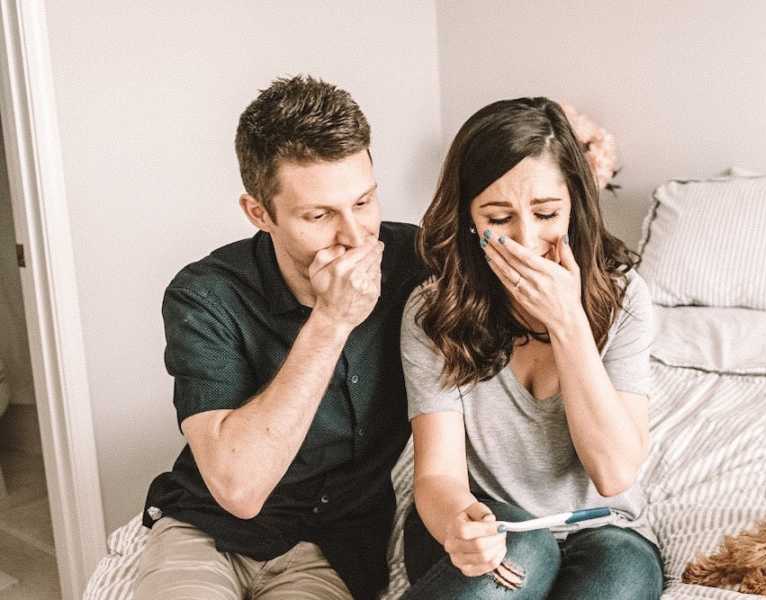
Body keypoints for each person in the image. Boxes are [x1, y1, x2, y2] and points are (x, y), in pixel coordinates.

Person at [134, 75, 425, 600]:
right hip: (206, 531)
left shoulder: (416, 264)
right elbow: (238, 491)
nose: (357, 237)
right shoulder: (205, 295)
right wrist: (331, 322)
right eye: (319, 215)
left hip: (332, 548)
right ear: (259, 213)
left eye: (363, 203)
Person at [399, 97, 665, 599]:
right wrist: (462, 524)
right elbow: (438, 474)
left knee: (618, 576)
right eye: (499, 218)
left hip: (605, 527)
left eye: (546, 213)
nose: (525, 241)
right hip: (488, 519)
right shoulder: (432, 310)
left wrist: (567, 323)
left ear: (574, 205)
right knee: (529, 549)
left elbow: (613, 473)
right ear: (468, 219)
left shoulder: (626, 298)